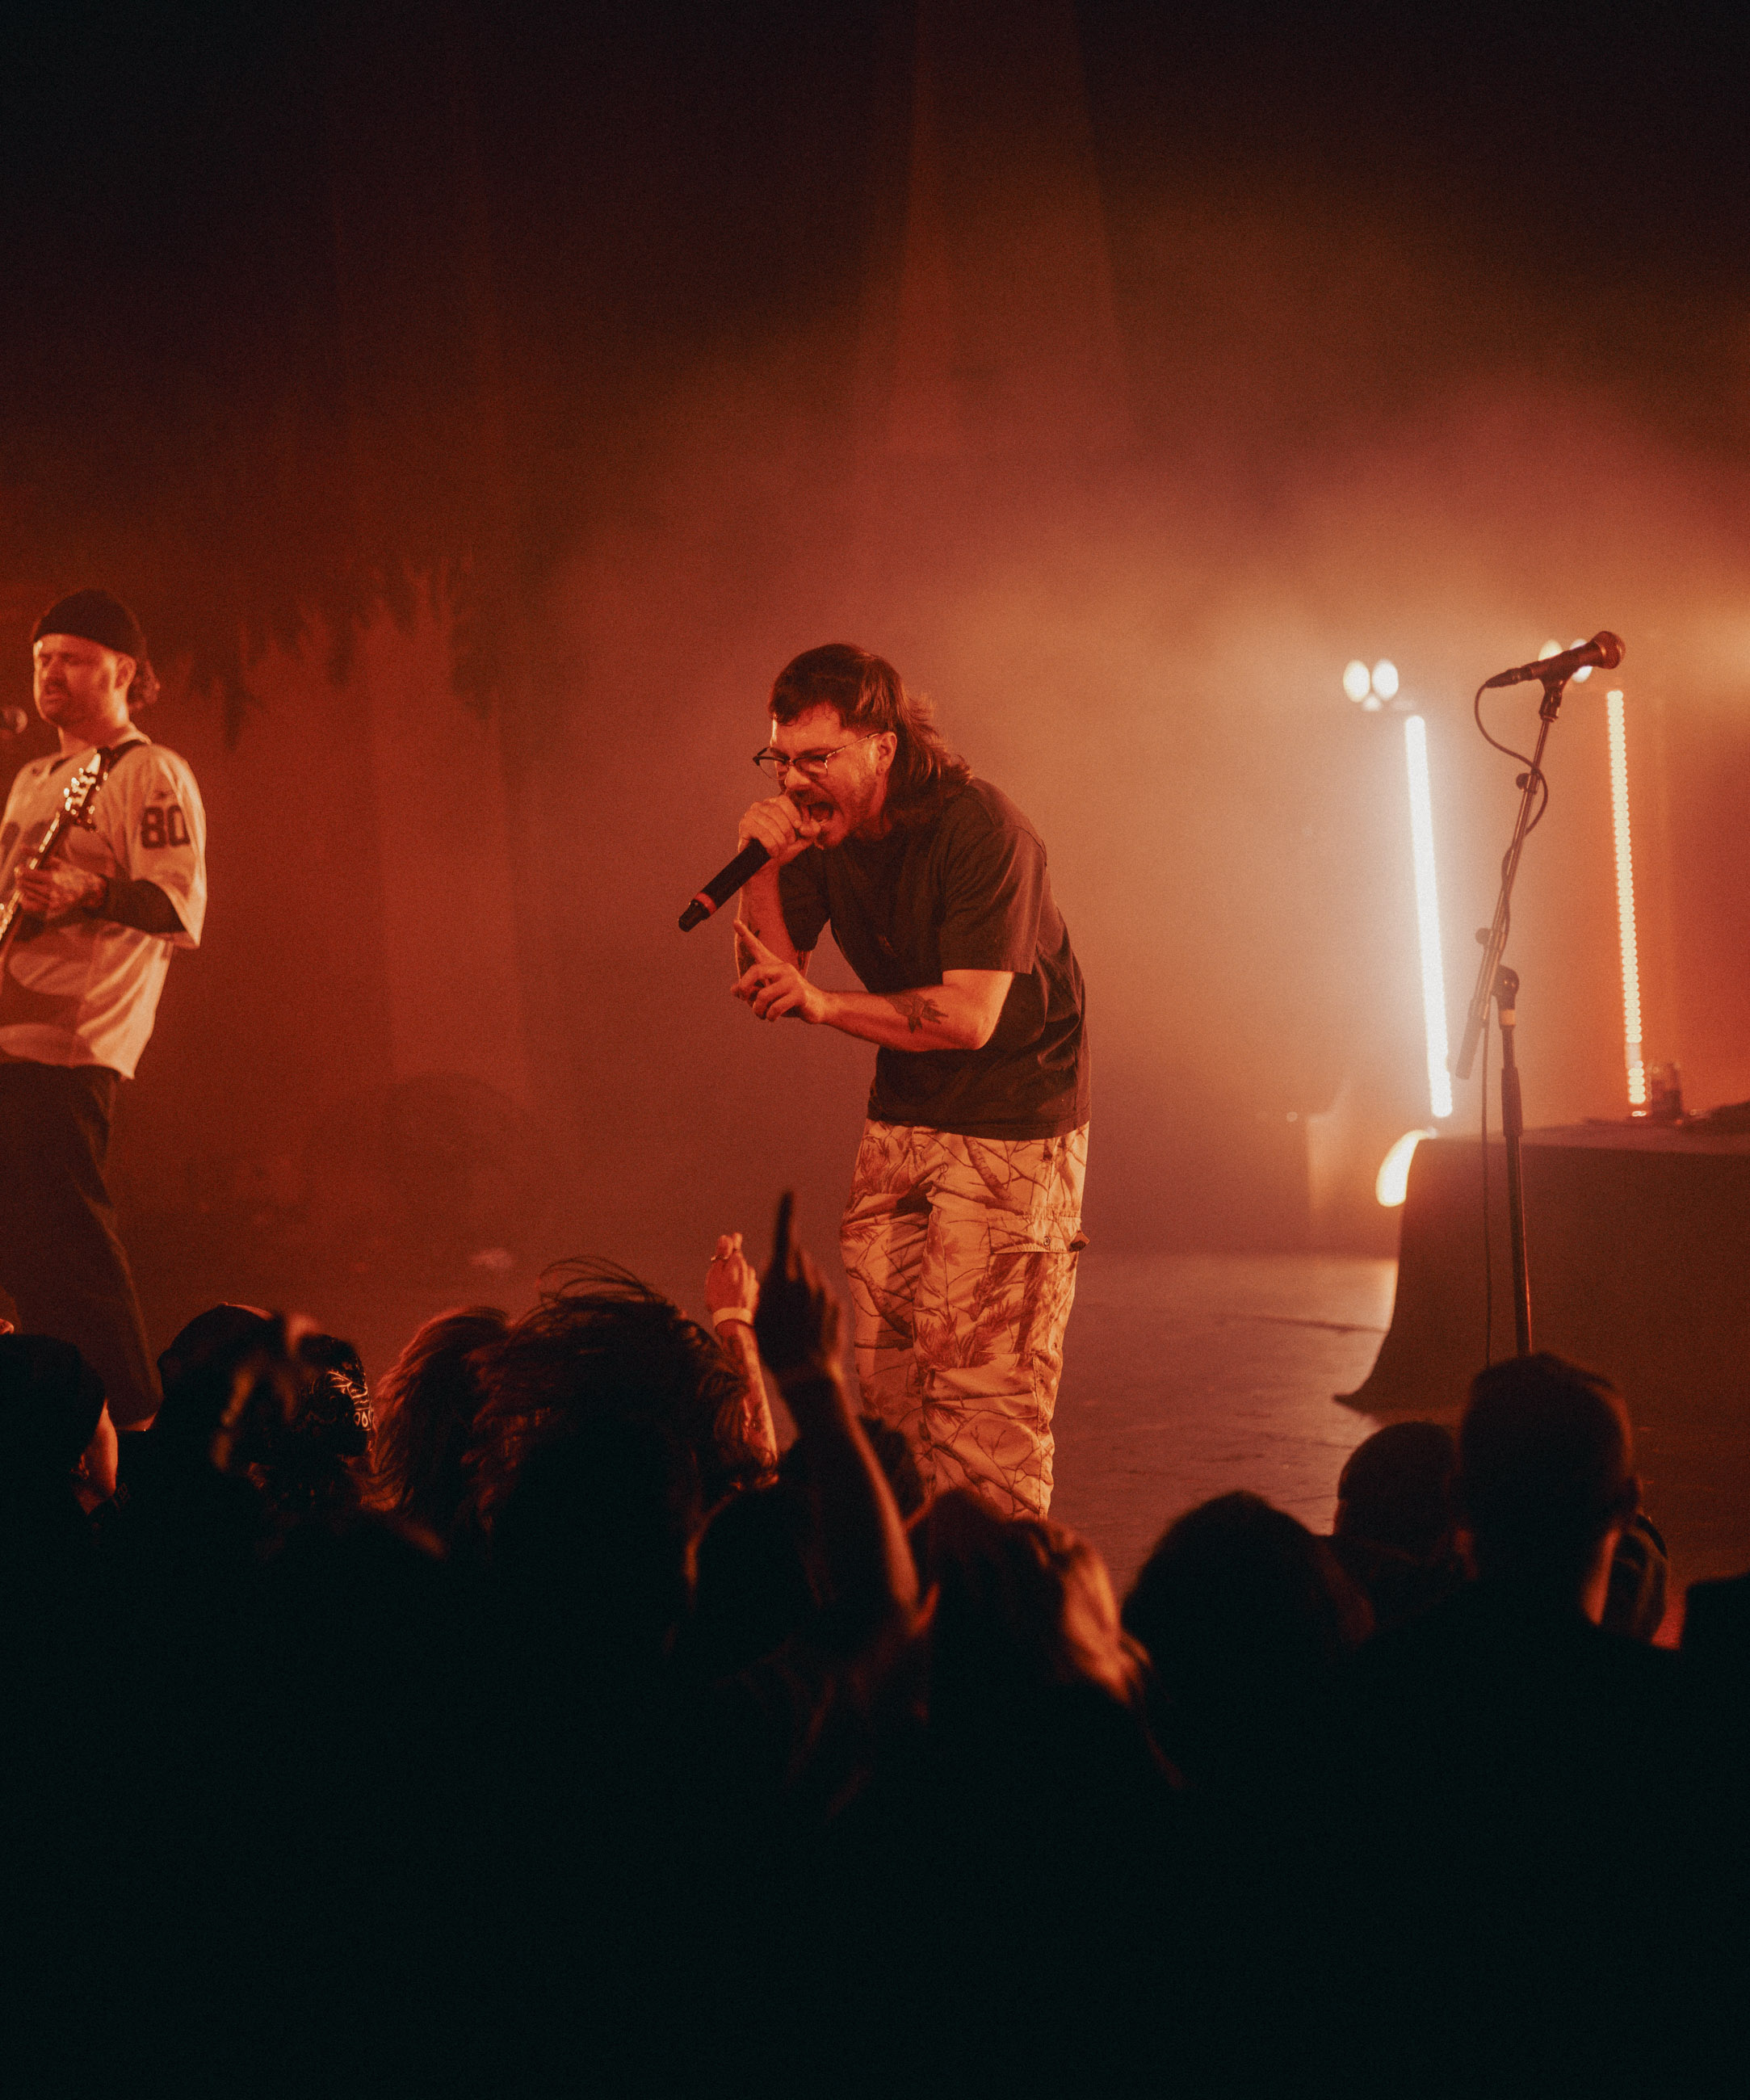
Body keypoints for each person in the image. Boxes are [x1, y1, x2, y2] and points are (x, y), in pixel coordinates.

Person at [731, 644, 1089, 1518]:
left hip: (1011, 1121)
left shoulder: (984, 831)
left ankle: (1003, 1608)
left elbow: (969, 1018)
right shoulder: (819, 830)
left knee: (981, 1398)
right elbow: (774, 969)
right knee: (889, 1392)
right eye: (782, 758)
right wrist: (763, 866)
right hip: (906, 1111)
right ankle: (912, 1594)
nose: (796, 780)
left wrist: (822, 1005)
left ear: (882, 747)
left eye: (818, 758)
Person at [0, 590, 206, 1426]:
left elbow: (178, 904)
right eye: (44, 656)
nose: (51, 671)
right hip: (10, 1031)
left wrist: (89, 886)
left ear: (124, 670)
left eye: (72, 657)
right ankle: (63, 1422)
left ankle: (140, 1419)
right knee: (25, 1246)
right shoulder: (33, 777)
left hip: (73, 1038)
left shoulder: (148, 771)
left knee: (72, 1242)